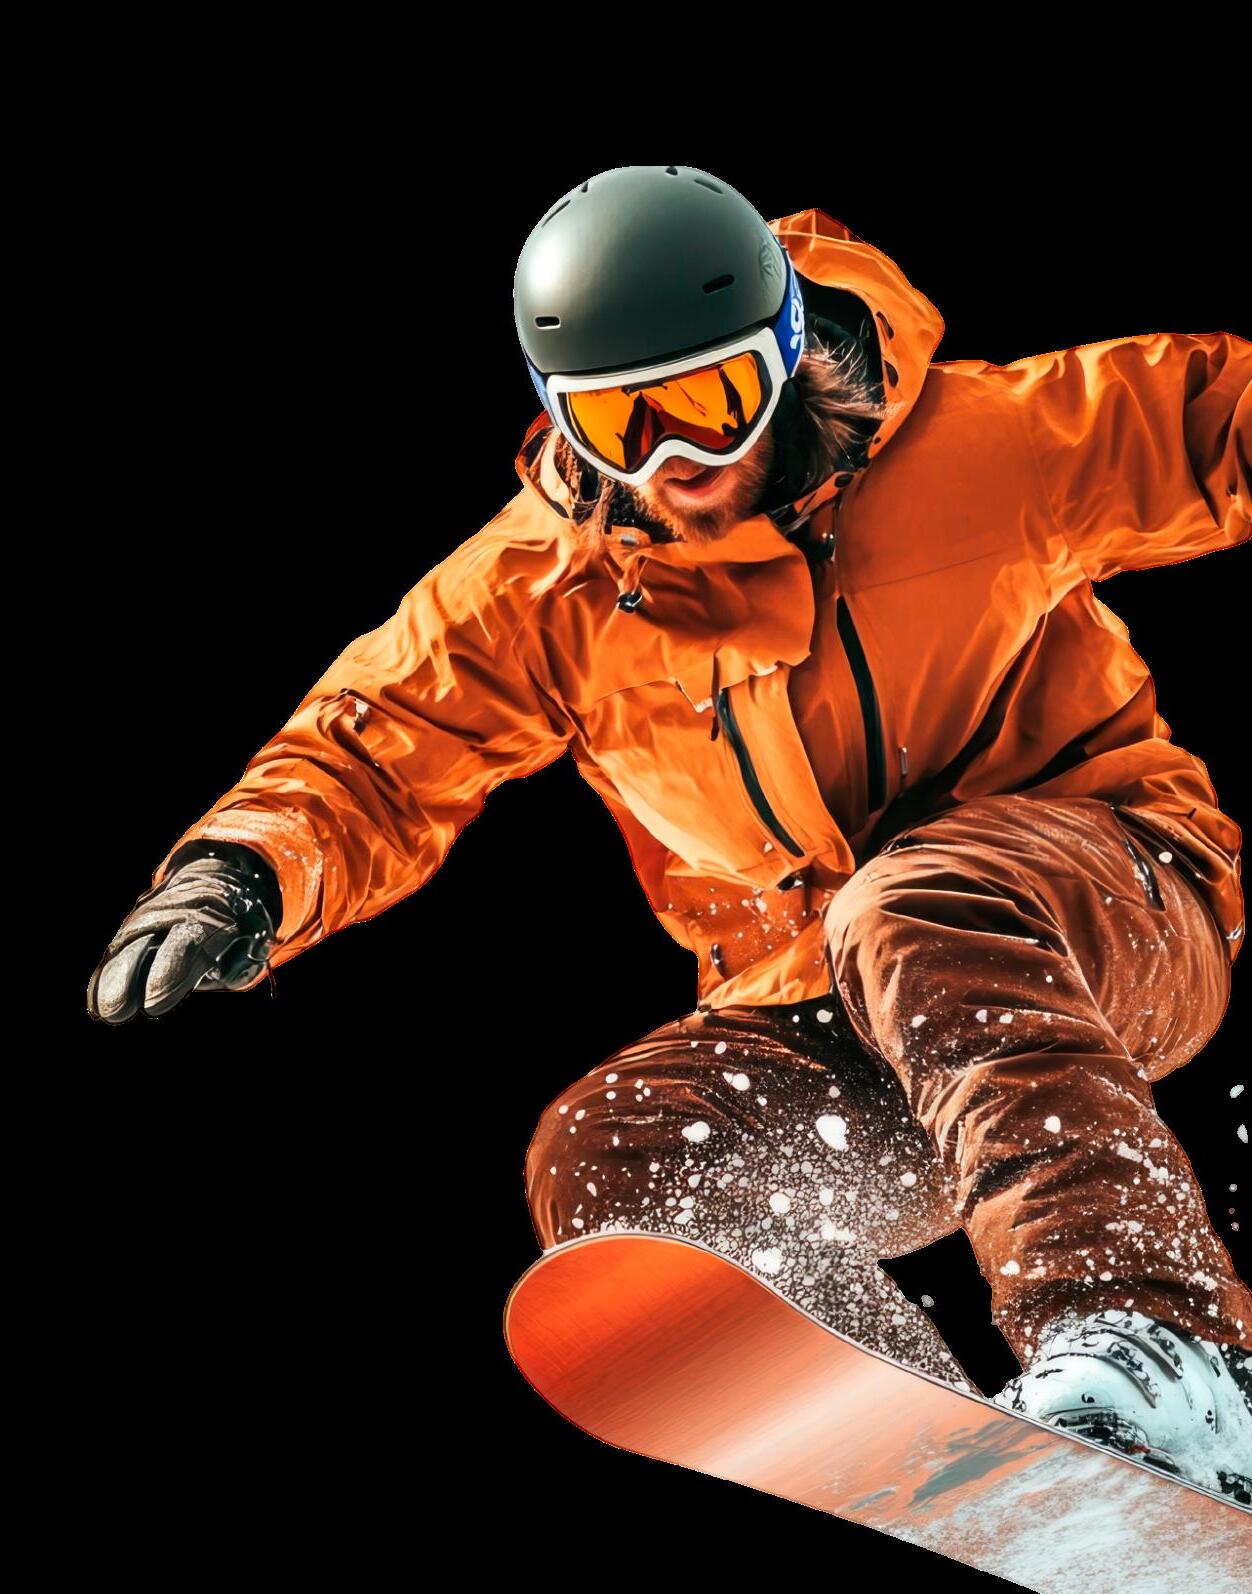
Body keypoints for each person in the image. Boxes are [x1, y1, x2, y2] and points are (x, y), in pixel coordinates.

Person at [88, 165, 1252, 1499]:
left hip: (1109, 906)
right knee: (617, 1156)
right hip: (845, 1006)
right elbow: (378, 743)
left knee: (907, 904)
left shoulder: (979, 445)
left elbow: (1213, 418)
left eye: (707, 402)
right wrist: (240, 870)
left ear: (786, 353)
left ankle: (1163, 1351)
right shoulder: (548, 587)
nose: (671, 461)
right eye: (617, 422)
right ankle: (958, 1471)